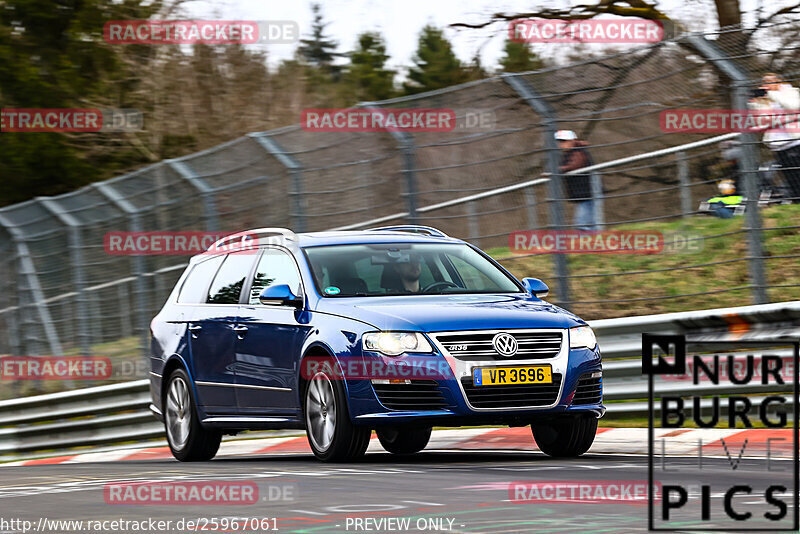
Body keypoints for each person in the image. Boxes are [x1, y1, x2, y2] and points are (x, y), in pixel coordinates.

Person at [749, 73, 800, 202]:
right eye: (764, 82)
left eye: (769, 82)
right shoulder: (766, 100)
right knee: (792, 180)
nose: (766, 85)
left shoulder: (791, 92)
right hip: (779, 145)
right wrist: (755, 104)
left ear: (779, 82)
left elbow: (793, 106)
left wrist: (772, 95)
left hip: (795, 141)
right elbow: (762, 122)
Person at [554, 130, 597, 230]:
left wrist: (559, 170)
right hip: (582, 194)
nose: (562, 145)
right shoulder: (567, 154)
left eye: (564, 141)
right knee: (588, 222)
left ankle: (585, 243)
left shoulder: (579, 152)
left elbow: (576, 165)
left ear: (573, 140)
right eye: (560, 142)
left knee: (583, 224)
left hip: (588, 193)